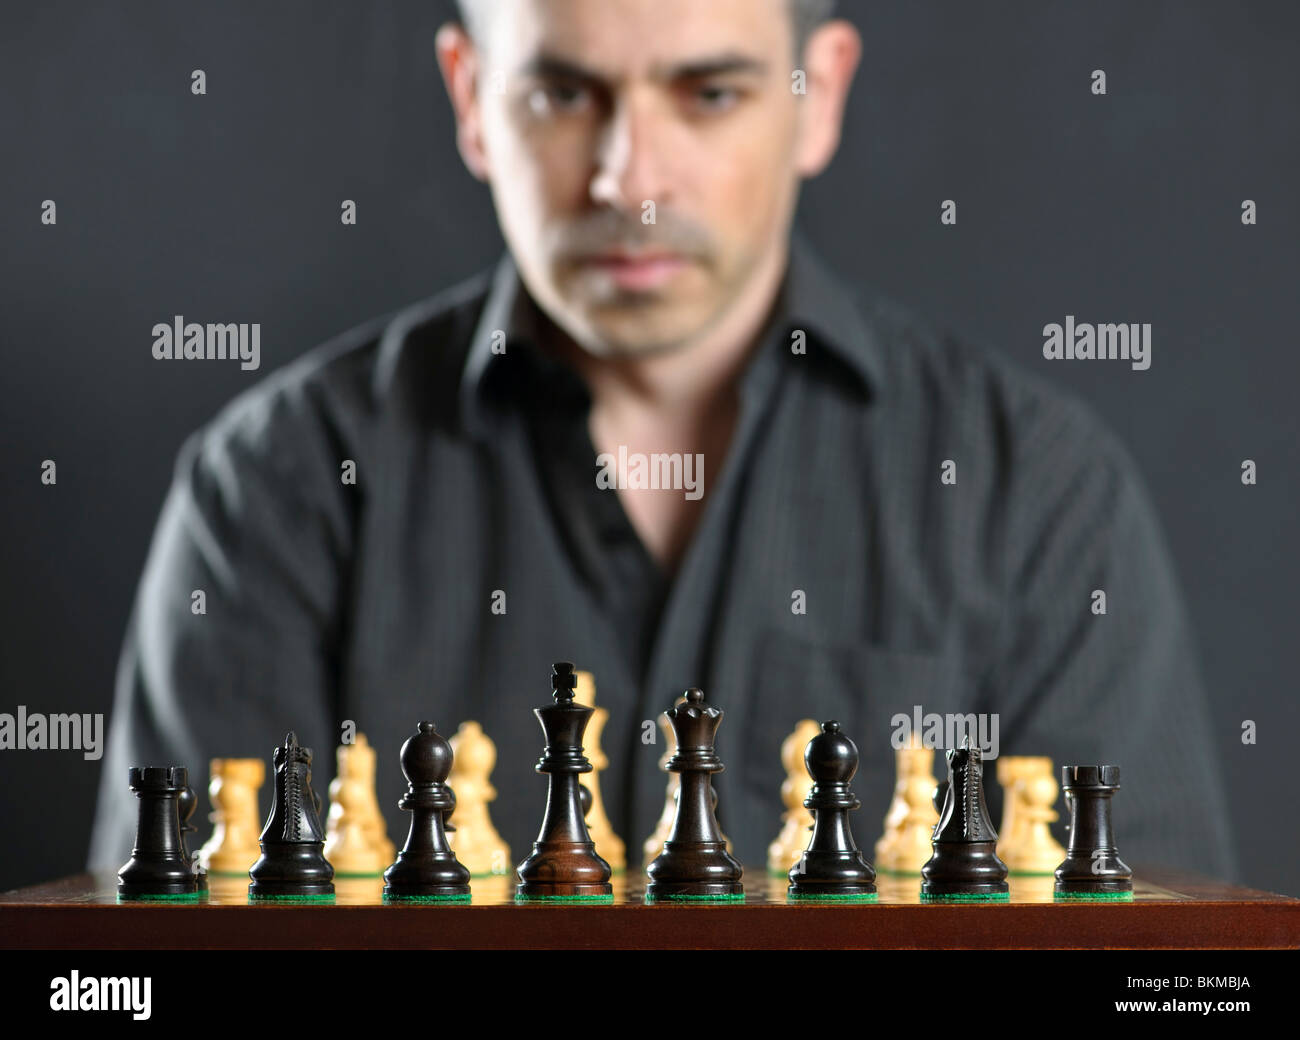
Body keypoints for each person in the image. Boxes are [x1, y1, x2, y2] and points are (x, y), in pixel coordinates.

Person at [89, 0, 1236, 877]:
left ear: (819, 93)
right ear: (468, 95)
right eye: (563, 94)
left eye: (708, 94)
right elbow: (157, 975)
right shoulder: (275, 488)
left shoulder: (1036, 494)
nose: (629, 179)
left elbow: (1152, 980)